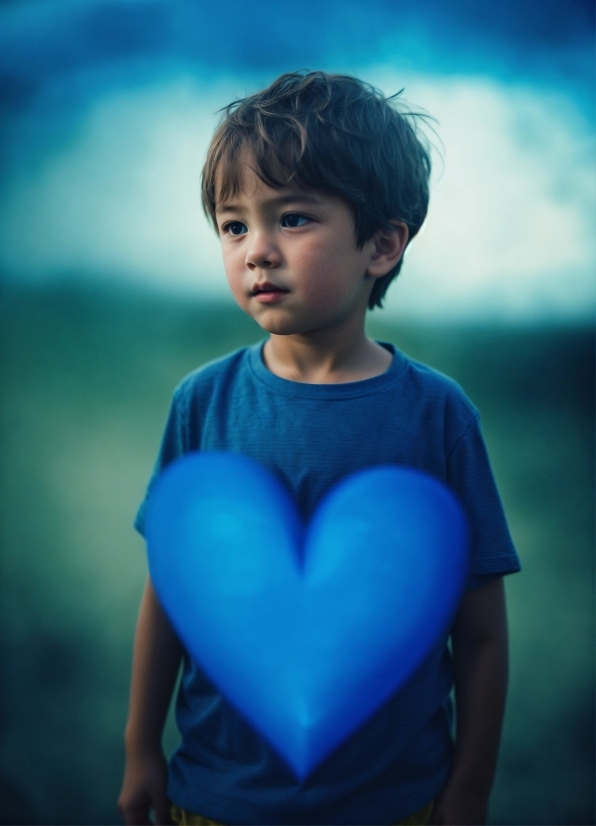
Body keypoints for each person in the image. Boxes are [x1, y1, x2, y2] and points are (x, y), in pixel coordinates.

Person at [118, 71, 521, 826]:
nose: (257, 252)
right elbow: (170, 593)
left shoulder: (437, 415)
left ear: (381, 243)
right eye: (233, 226)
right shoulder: (202, 403)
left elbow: (482, 632)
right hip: (214, 797)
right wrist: (141, 746)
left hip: (395, 804)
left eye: (293, 219)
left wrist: (468, 789)